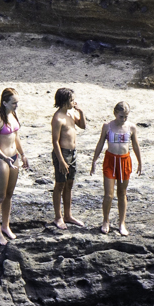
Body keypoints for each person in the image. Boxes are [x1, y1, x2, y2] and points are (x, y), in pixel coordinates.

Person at [89, 101, 143, 234]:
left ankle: (122, 223)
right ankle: (105, 220)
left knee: (122, 193)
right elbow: (100, 143)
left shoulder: (131, 127)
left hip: (124, 161)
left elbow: (135, 145)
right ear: (115, 113)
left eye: (126, 116)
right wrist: (94, 160)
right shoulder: (107, 126)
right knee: (109, 195)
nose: (123, 119)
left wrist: (140, 162)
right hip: (110, 160)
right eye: (121, 116)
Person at [0, 87, 30, 245]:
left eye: (17, 102)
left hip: (14, 157)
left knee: (9, 194)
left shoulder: (13, 115)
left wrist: (22, 154)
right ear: (4, 102)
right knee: (0, 196)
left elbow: (15, 136)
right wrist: (5, 157)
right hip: (0, 159)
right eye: (13, 103)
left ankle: (5, 225)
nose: (16, 105)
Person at [48, 87, 87, 230]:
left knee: (69, 184)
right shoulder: (58, 118)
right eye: (71, 100)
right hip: (62, 153)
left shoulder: (70, 113)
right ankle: (58, 217)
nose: (74, 102)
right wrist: (61, 161)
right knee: (60, 184)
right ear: (64, 102)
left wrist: (80, 112)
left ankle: (68, 215)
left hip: (73, 153)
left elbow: (82, 126)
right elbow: (55, 142)